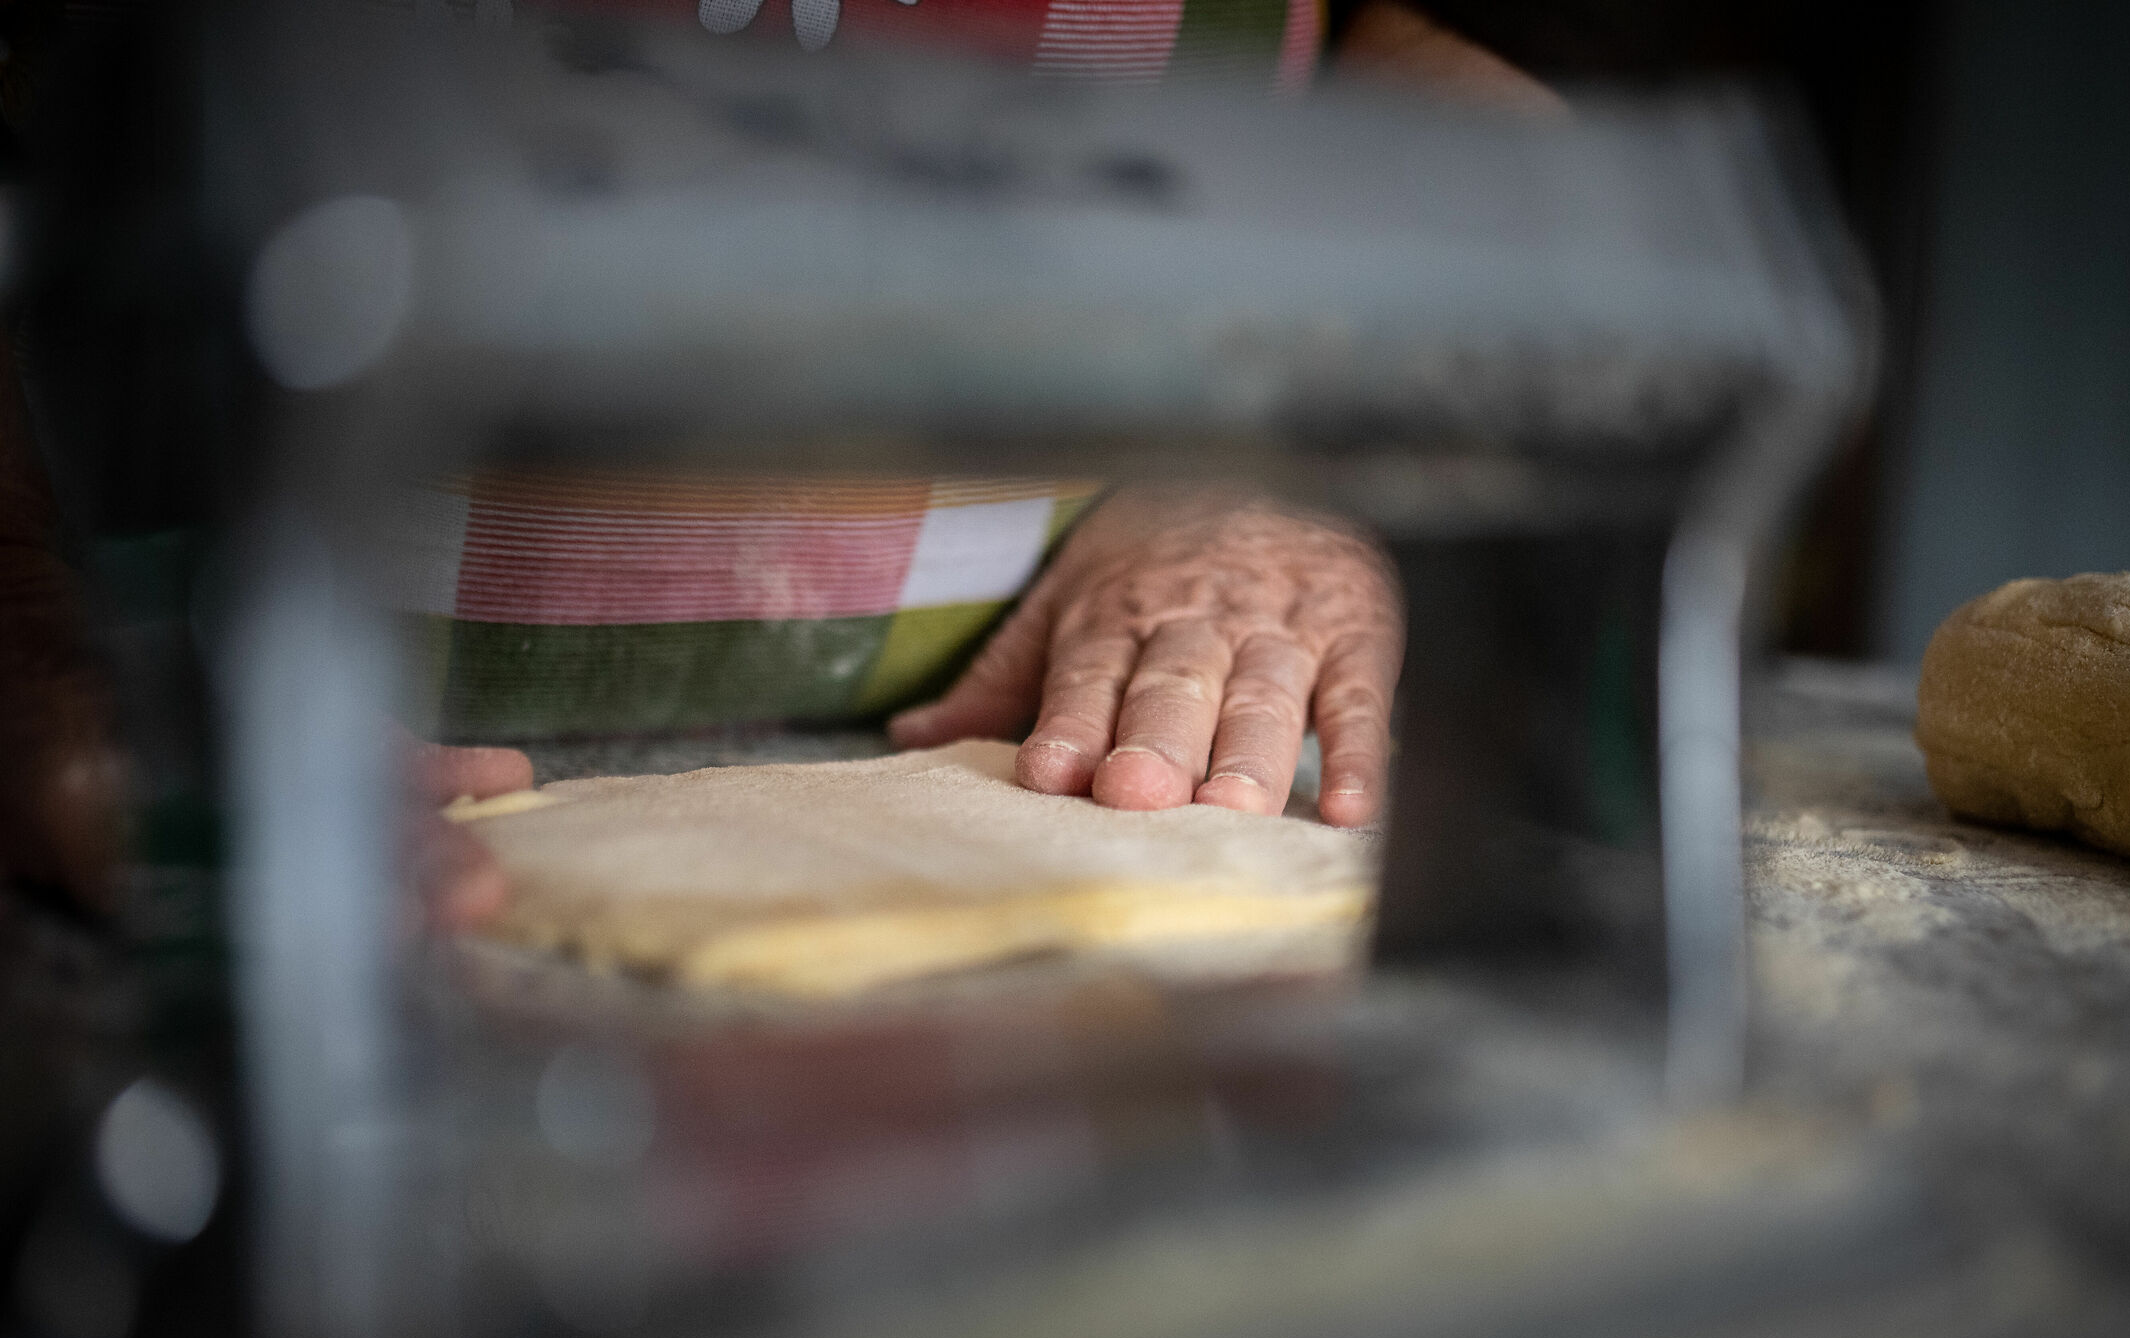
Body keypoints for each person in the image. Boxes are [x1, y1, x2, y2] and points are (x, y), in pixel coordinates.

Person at [0, 0, 1565, 924]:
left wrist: (1259, 450)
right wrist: (29, 630)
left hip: (1049, 753)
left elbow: (1432, 62)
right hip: (204, 712)